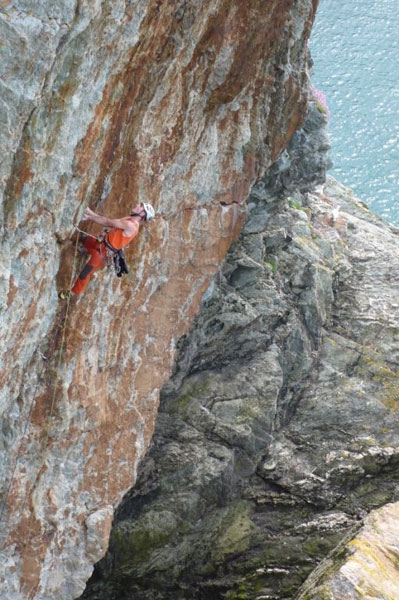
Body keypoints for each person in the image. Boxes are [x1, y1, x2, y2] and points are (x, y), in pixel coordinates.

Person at [58, 202, 155, 299]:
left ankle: (72, 292)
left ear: (142, 214)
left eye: (141, 207)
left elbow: (108, 222)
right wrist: (90, 214)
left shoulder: (131, 226)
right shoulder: (128, 219)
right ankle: (84, 249)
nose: (137, 205)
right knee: (84, 240)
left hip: (103, 253)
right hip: (101, 242)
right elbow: (111, 223)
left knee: (85, 273)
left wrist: (90, 216)